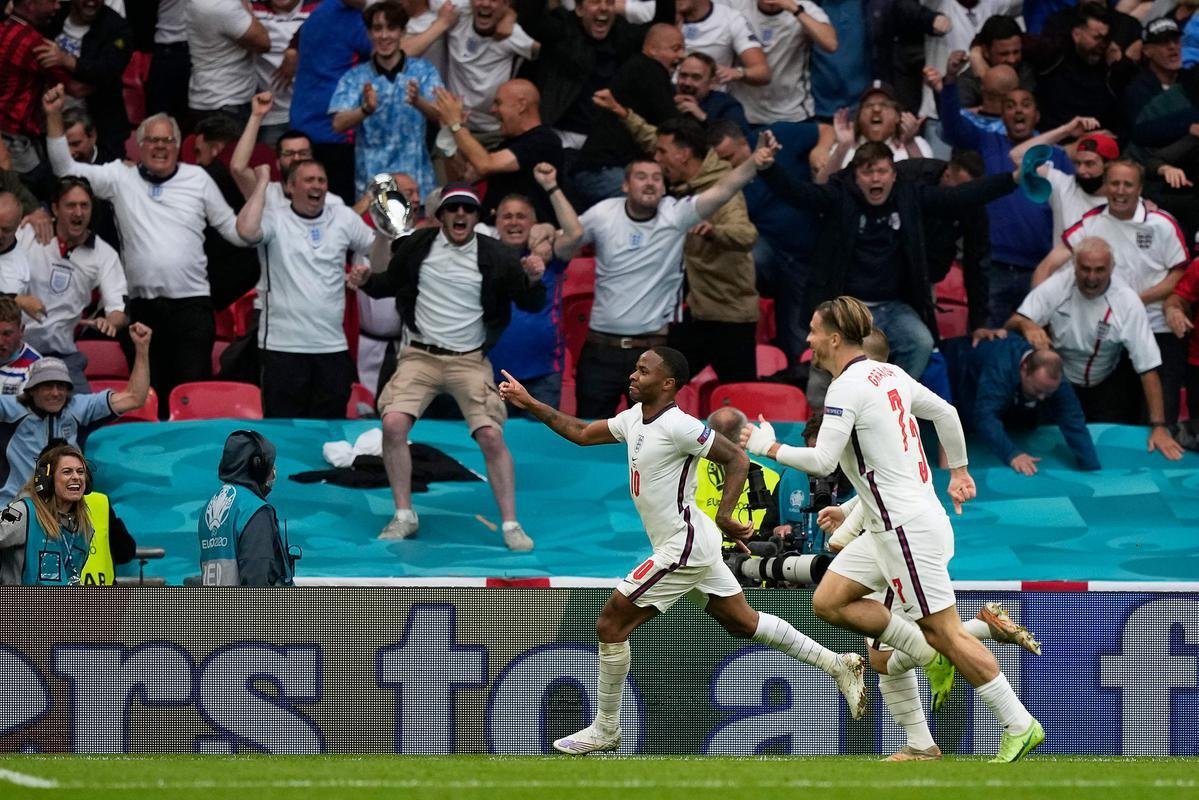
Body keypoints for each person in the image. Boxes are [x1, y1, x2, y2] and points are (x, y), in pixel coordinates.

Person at [498, 345, 867, 754]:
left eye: (643, 370)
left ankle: (605, 730)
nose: (633, 376)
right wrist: (528, 401)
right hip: (692, 542)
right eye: (635, 369)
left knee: (610, 624)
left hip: (684, 545)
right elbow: (583, 434)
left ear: (668, 383)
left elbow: (737, 458)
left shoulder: (681, 426)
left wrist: (727, 515)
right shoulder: (634, 417)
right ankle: (838, 665)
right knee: (742, 622)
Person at [742, 296, 1045, 763]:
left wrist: (771, 446)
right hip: (896, 525)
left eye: (813, 329)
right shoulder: (891, 374)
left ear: (835, 337)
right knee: (829, 600)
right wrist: (959, 472)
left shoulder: (845, 388)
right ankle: (926, 698)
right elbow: (945, 414)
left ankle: (1018, 723)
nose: (807, 339)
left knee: (944, 633)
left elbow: (823, 461)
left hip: (904, 530)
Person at [347, 183, 546, 549]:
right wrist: (366, 282)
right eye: (452, 208)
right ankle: (404, 514)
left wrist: (533, 278)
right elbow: (388, 284)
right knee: (392, 425)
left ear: (475, 218)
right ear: (441, 216)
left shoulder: (497, 255)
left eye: (467, 210)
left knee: (490, 435)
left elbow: (530, 302)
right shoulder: (417, 246)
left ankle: (510, 524)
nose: (460, 215)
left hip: (468, 361)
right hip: (419, 356)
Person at [43, 85, 250, 418]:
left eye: (167, 140)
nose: (160, 147)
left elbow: (235, 232)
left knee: (191, 398)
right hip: (143, 311)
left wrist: (262, 210)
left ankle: (191, 467)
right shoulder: (120, 178)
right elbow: (66, 170)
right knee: (147, 397)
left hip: (192, 309)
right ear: (139, 146)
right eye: (152, 140)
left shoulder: (197, 178)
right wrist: (53, 115)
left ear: (178, 145)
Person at [557, 132, 779, 419]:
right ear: (625, 185)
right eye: (641, 176)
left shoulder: (676, 215)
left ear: (664, 187)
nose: (649, 182)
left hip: (653, 353)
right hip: (601, 351)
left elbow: (722, 190)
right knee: (591, 436)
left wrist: (753, 162)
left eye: (656, 177)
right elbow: (565, 243)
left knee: (653, 441)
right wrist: (544, 230)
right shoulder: (602, 213)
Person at [1007, 236, 1185, 460]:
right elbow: (1010, 324)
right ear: (1074, 266)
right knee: (1048, 449)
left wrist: (1159, 425)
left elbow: (1148, 367)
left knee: (1106, 454)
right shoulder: (1057, 286)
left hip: (1106, 384)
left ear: (1112, 268)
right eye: (1085, 269)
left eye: (1099, 270)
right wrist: (1027, 324)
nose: (1091, 277)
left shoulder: (1127, 301)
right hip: (1060, 382)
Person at [237, 159, 379, 418]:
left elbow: (379, 256)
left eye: (321, 180)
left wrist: (379, 250)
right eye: (309, 180)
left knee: (332, 431)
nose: (317, 186)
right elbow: (245, 231)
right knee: (283, 433)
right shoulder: (275, 219)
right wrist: (261, 185)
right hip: (283, 347)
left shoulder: (344, 217)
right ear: (290, 187)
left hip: (332, 347)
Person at [0, 326, 152, 505]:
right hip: (15, 507)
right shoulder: (10, 409)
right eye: (47, 386)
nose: (56, 393)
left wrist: (142, 348)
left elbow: (135, 397)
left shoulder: (79, 409)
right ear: (32, 390)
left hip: (65, 508)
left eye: (61, 386)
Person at [486, 164, 584, 413]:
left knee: (538, 445)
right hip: (489, 375)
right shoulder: (484, 256)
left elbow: (574, 234)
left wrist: (551, 186)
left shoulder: (549, 255)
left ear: (534, 223)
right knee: (493, 444)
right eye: (507, 216)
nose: (514, 222)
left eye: (522, 216)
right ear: (496, 223)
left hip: (542, 376)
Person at [19, 175, 128, 392]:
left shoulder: (104, 254)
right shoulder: (28, 234)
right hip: (15, 350)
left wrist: (111, 322)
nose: (78, 213)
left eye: (84, 206)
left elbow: (118, 309)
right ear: (55, 209)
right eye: (70, 205)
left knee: (83, 414)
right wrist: (20, 300)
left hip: (62, 357)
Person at [328, 0, 445, 198]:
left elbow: (444, 117)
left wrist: (419, 102)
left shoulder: (424, 70)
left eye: (391, 28)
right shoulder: (355, 77)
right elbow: (338, 124)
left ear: (402, 32)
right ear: (369, 33)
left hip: (417, 184)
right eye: (377, 28)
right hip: (373, 186)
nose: (384, 35)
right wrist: (364, 110)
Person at [942, 335, 1100, 473]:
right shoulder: (1000, 367)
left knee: (1026, 421)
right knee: (969, 422)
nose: (1043, 397)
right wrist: (1012, 454)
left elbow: (1072, 419)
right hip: (958, 365)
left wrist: (1090, 465)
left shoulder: (1053, 379)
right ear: (1024, 369)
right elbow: (984, 416)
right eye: (1038, 390)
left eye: (1048, 393)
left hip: (1001, 383)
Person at [433, 79, 565, 225]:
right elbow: (462, 177)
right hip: (492, 231)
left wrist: (456, 124)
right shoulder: (506, 145)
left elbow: (486, 164)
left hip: (530, 235)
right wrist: (449, 135)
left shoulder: (544, 140)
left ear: (521, 105)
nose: (492, 110)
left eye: (498, 103)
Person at [0, 443, 112, 585]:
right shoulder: (23, 513)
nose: (76, 477)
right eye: (67, 472)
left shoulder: (84, 529)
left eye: (80, 472)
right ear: (46, 479)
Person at [199, 429, 294, 586]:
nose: (274, 471)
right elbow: (257, 573)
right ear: (257, 467)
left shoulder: (209, 507)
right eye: (270, 464)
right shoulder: (253, 510)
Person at [699, 405, 780, 532]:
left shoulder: (687, 472)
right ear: (745, 434)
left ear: (708, 433)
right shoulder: (772, 477)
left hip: (699, 548)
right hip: (755, 548)